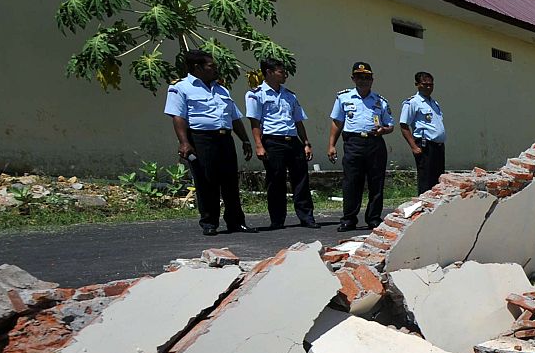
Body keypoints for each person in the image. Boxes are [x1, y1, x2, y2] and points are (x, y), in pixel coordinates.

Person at [164, 49, 253, 236]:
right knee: (206, 182)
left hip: (224, 139)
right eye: (211, 66)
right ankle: (209, 222)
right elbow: (178, 117)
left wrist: (244, 139)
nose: (215, 69)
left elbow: (234, 117)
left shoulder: (221, 89)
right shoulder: (181, 88)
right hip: (201, 139)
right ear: (197, 67)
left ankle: (236, 222)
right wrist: (184, 142)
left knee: (230, 182)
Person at [244, 58, 316, 228]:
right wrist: (259, 145)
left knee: (301, 180)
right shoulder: (256, 94)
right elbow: (255, 122)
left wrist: (306, 143)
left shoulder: (289, 95)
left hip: (292, 140)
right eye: (281, 72)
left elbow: (298, 121)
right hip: (272, 141)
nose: (285, 75)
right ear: (269, 72)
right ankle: (277, 219)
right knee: (276, 181)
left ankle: (306, 217)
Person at [326, 61, 394, 232]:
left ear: (372, 79)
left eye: (366, 77)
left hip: (375, 143)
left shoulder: (380, 101)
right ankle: (349, 219)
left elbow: (390, 125)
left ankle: (373, 218)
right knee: (351, 183)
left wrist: (383, 130)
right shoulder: (343, 98)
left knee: (376, 183)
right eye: (359, 77)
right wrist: (331, 145)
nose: (363, 80)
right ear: (353, 78)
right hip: (353, 143)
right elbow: (337, 122)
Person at [398, 71, 446, 195]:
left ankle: (436, 210)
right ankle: (425, 209)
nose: (428, 87)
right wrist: (414, 146)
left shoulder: (434, 103)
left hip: (438, 146)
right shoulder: (413, 102)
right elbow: (404, 125)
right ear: (417, 84)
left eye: (431, 85)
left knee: (438, 180)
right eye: (425, 84)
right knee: (426, 180)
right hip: (425, 146)